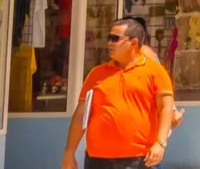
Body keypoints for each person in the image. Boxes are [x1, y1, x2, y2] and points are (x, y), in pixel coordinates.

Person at [63, 17, 176, 169]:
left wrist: (160, 144)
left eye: (115, 39)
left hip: (138, 160)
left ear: (133, 43)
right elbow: (80, 115)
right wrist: (69, 153)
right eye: (109, 38)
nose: (110, 43)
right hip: (97, 160)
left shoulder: (155, 71)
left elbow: (166, 108)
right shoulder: (96, 74)